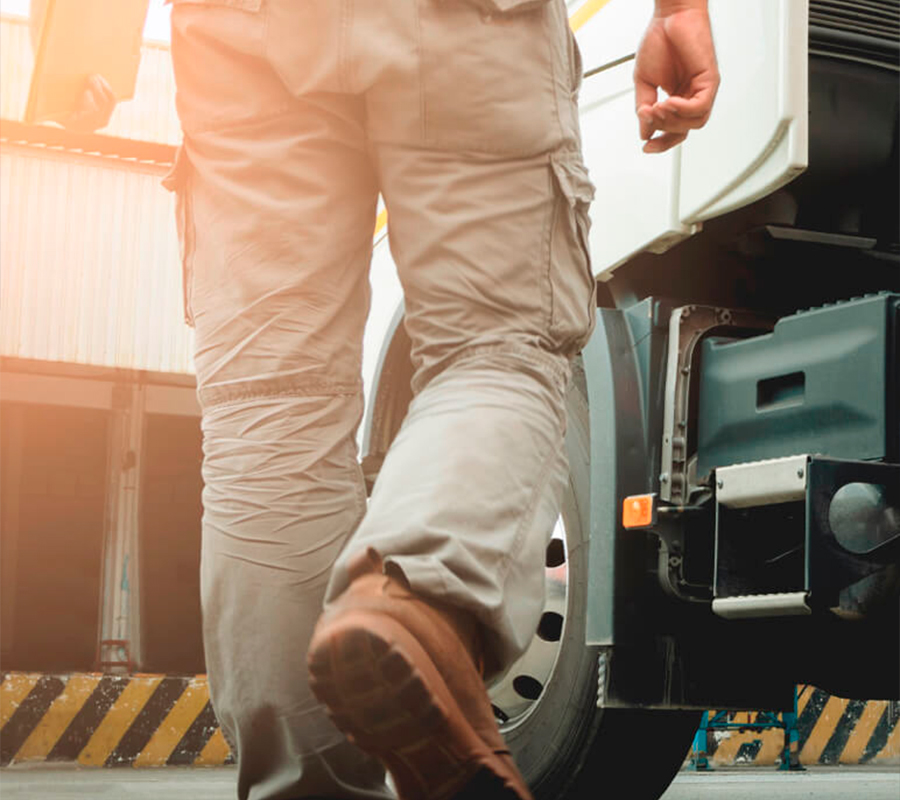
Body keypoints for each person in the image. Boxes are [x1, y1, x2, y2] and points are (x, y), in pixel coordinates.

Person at [53, 0, 718, 797]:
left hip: (241, 31)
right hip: (461, 21)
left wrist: (82, 45)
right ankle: (416, 600)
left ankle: (310, 783)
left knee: (271, 415)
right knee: (500, 347)